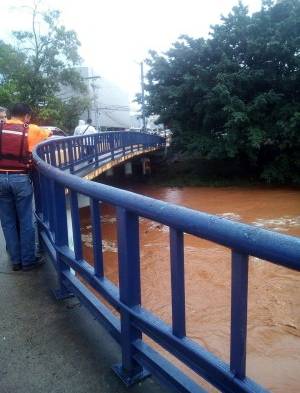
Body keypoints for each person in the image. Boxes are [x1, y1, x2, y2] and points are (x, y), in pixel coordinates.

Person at [0, 103, 51, 271]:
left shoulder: (1, 128)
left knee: (7, 222)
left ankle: (16, 261)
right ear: (27, 116)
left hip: (0, 179)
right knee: (26, 220)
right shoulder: (32, 129)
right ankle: (28, 260)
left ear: (9, 114)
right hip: (20, 179)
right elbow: (48, 133)